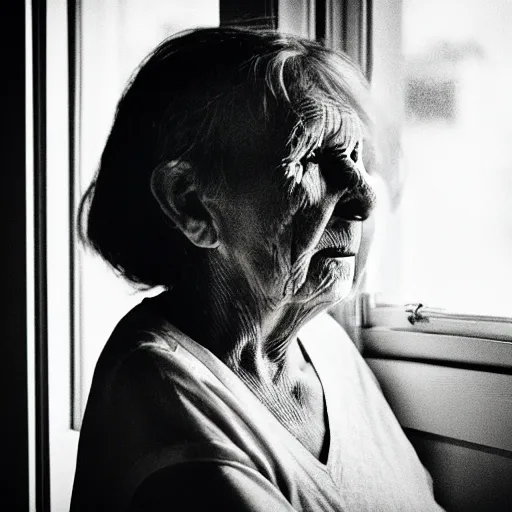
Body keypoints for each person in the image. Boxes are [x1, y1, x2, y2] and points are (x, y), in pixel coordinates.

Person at [70, 27, 443, 511]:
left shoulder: (324, 343)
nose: (364, 201)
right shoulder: (162, 393)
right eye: (311, 156)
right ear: (192, 205)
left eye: (354, 156)